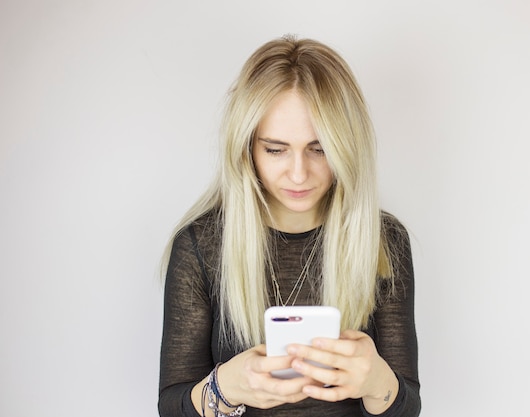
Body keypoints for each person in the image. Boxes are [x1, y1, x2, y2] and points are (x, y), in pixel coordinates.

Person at [158, 35, 421, 417]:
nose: (299, 174)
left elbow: (408, 406)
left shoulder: (384, 241)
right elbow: (171, 408)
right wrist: (227, 387)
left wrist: (377, 382)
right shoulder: (201, 246)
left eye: (320, 148)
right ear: (246, 148)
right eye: (276, 149)